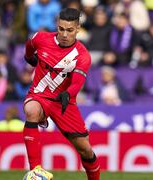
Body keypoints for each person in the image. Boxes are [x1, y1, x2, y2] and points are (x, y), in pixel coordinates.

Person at [23, 8, 100, 180]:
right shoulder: (41, 38)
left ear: (78, 29)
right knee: (31, 111)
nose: (65, 34)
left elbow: (77, 84)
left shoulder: (82, 56)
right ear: (57, 26)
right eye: (61, 29)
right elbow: (29, 48)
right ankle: (35, 171)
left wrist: (68, 94)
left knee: (85, 150)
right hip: (40, 95)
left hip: (64, 102)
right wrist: (30, 58)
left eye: (70, 30)